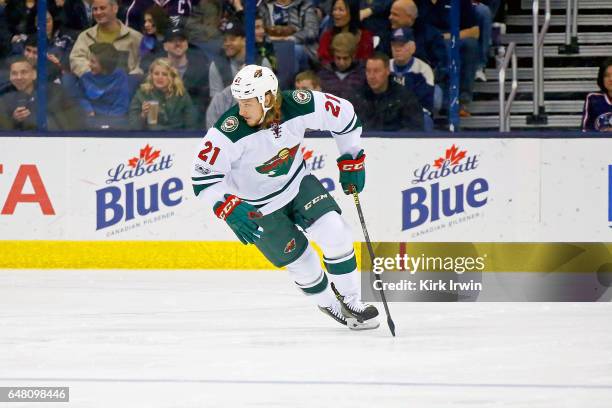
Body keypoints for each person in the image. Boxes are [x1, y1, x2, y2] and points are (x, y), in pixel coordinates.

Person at [191, 64, 380, 329]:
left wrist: (352, 158)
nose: (240, 111)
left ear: (267, 98)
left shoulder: (298, 104)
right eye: (239, 103)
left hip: (298, 184)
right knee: (302, 262)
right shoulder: (227, 131)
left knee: (336, 232)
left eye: (247, 104)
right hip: (259, 208)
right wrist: (227, 207)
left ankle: (352, 300)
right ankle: (330, 304)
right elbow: (203, 179)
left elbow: (345, 114)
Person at [0, 56, 83, 130]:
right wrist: (14, 120)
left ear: (34, 74)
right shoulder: (4, 98)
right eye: (14, 73)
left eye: (24, 72)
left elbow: (71, 121)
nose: (19, 77)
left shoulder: (54, 93)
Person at [69, 0, 143, 77]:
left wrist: (127, 79)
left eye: (102, 8)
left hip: (125, 85)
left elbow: (142, 64)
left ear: (115, 9)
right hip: (93, 84)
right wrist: (95, 74)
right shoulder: (85, 37)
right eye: (95, 9)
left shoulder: (135, 37)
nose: (98, 12)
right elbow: (76, 60)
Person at [353, 52, 423, 131]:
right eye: (368, 71)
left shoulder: (404, 97)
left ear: (387, 71)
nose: (371, 76)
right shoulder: (357, 97)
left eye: (376, 71)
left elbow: (414, 128)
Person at [129, 57, 197, 129]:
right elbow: (133, 127)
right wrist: (143, 115)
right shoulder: (142, 94)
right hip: (151, 137)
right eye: (156, 74)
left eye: (164, 74)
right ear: (151, 75)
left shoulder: (181, 94)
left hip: (176, 136)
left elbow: (191, 124)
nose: (160, 77)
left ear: (171, 76)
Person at [77, 42, 130, 129]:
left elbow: (122, 104)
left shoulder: (120, 76)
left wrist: (108, 121)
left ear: (105, 64)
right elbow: (79, 97)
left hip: (115, 118)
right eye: (89, 60)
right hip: (92, 117)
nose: (89, 64)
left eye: (93, 62)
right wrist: (88, 109)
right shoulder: (85, 78)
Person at [389, 27, 434, 114]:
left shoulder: (423, 69)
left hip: (417, 114)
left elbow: (424, 100)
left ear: (412, 47)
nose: (397, 49)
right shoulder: (385, 67)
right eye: (394, 44)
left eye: (401, 45)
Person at [317, 0, 373, 65]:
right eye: (334, 9)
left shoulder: (365, 37)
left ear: (352, 12)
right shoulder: (327, 36)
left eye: (341, 10)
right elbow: (323, 62)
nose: (336, 13)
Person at [318, 32, 365, 101]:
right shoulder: (323, 74)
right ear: (333, 55)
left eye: (345, 58)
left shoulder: (363, 74)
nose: (341, 62)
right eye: (338, 58)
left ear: (353, 56)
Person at [582, 58, 612, 132]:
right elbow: (585, 130)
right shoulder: (593, 98)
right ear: (601, 78)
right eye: (606, 75)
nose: (611, 79)